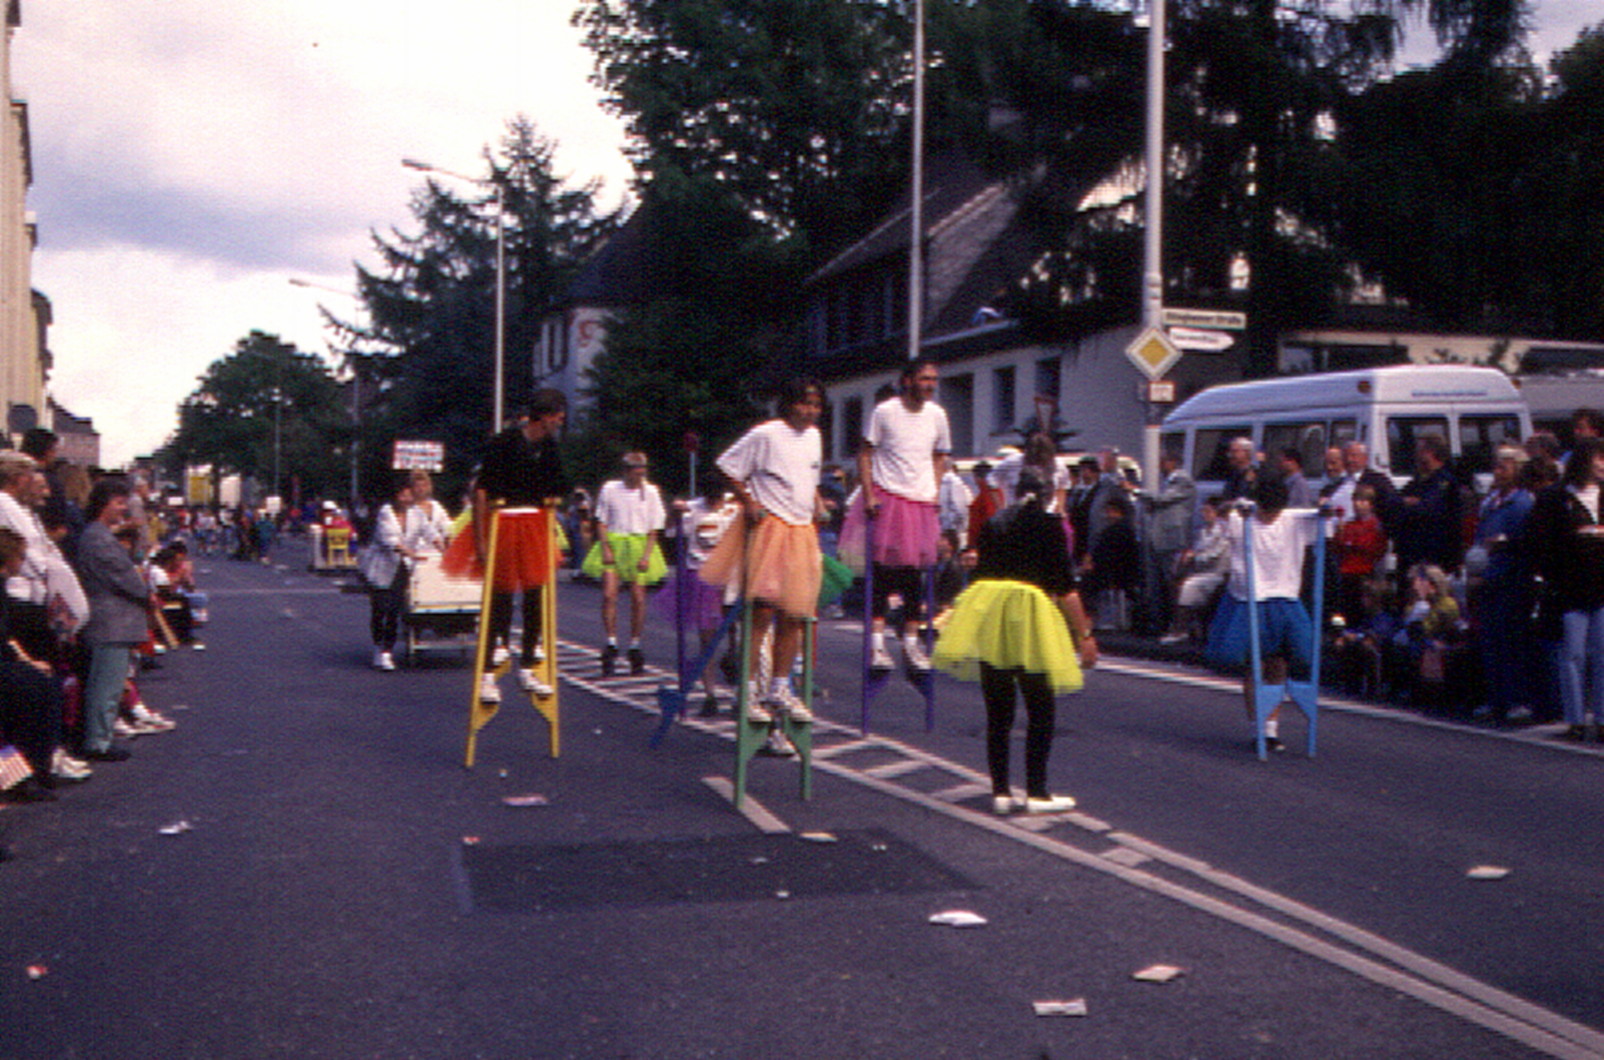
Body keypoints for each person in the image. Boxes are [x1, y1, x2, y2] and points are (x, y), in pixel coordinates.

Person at [933, 466, 1097, 815]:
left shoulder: (995, 523)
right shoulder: (1050, 525)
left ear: (1014, 491)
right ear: (1048, 494)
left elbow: (979, 573)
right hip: (1031, 612)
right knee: (1040, 708)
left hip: (991, 610)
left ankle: (1001, 792)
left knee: (998, 711)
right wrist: (1084, 634)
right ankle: (1037, 792)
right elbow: (1065, 586)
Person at [700, 378, 828, 742]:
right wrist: (749, 501)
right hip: (771, 525)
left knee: (795, 613)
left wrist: (818, 504)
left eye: (816, 405)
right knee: (763, 611)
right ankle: (749, 689)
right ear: (788, 404)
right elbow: (727, 467)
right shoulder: (767, 434)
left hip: (801, 529)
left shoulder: (815, 437)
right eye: (804, 403)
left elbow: (807, 479)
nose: (810, 411)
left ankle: (779, 686)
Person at [444, 390, 571, 704]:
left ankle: (527, 666)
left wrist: (554, 496)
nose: (560, 422)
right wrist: (480, 541)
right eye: (557, 416)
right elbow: (482, 491)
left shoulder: (549, 447)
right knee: (499, 599)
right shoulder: (505, 442)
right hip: (505, 522)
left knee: (535, 595)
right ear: (544, 416)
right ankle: (487, 673)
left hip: (534, 523)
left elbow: (558, 485)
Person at [840, 359, 951, 673]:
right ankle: (877, 644)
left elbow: (940, 455)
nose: (930, 385)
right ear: (907, 381)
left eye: (933, 379)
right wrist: (869, 494)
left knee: (914, 574)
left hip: (920, 501)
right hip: (888, 496)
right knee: (883, 572)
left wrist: (934, 490)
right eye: (924, 379)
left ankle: (911, 642)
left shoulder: (937, 415)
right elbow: (865, 453)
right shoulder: (885, 411)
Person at [1204, 474, 1322, 752]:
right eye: (1266, 511)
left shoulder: (1295, 520)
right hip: (1249, 600)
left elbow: (1326, 521)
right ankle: (1258, 728)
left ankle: (1271, 730)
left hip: (1284, 599)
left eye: (1275, 511)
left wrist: (1326, 510)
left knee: (1281, 663)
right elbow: (1221, 511)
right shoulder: (1242, 519)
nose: (1270, 517)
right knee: (1253, 666)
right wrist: (1235, 505)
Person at [1525, 437, 1604, 740]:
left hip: (1601, 586)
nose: (1602, 465)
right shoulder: (1555, 497)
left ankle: (1602, 717)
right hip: (1570, 588)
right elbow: (1540, 542)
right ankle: (1575, 718)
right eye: (1599, 458)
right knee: (1573, 655)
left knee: (1602, 654)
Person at [76, 478, 150, 762]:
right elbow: (125, 576)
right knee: (106, 686)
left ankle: (101, 737)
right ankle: (98, 742)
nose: (123, 509)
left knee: (108, 684)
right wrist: (145, 592)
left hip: (112, 621)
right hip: (110, 621)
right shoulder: (98, 538)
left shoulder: (98, 534)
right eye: (119, 503)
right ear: (103, 504)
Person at [583, 452, 668, 676]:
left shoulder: (650, 492)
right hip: (615, 541)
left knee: (638, 598)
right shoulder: (610, 489)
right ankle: (611, 642)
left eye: (642, 472)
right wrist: (605, 547)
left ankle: (635, 644)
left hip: (639, 544)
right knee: (609, 595)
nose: (640, 477)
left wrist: (646, 556)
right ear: (626, 471)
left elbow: (654, 528)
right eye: (636, 473)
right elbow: (601, 521)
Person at [1468, 445, 1535, 724]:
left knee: (1511, 642)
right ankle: (1495, 699)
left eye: (1503, 467)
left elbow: (1525, 543)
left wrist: (1503, 544)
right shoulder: (1491, 502)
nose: (1497, 472)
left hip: (1510, 580)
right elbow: (1479, 538)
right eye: (1495, 466)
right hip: (1487, 578)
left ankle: (1518, 700)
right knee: (1491, 642)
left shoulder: (1522, 503)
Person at [366, 474, 414, 672]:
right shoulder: (385, 513)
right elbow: (388, 540)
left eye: (409, 495)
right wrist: (407, 551)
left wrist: (439, 542)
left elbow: (428, 531)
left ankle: (387, 651)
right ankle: (378, 646)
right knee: (380, 609)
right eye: (403, 495)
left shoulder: (415, 514)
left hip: (401, 568)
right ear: (396, 497)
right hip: (381, 568)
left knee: (394, 610)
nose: (406, 499)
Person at [1146, 451, 1196, 634]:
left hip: (1172, 540)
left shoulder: (1182, 480)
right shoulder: (1166, 482)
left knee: (1172, 581)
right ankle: (1160, 622)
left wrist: (1135, 490)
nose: (1160, 465)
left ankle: (1177, 625)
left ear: (1173, 462)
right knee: (1158, 583)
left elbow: (1163, 499)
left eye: (1163, 461)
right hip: (1160, 540)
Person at [1332, 485, 1388, 623]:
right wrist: (1340, 534)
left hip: (1364, 573)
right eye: (1355, 501)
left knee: (1363, 609)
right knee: (1345, 610)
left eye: (1363, 501)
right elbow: (1338, 547)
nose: (1357, 504)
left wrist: (1351, 543)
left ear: (1371, 505)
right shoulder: (1348, 525)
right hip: (1346, 573)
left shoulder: (1375, 525)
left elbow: (1374, 548)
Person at [965, 461, 1005, 547]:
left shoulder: (986, 495)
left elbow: (989, 515)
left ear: (977, 478)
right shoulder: (998, 493)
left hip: (984, 542)